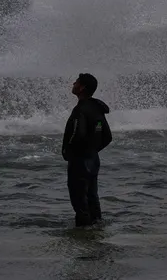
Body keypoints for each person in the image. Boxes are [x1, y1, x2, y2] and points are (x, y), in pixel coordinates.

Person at [62, 72, 112, 227]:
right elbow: (107, 136)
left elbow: (78, 134)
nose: (73, 84)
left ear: (82, 87)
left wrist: (67, 151)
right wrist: (92, 150)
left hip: (80, 161)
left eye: (76, 82)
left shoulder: (80, 110)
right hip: (93, 160)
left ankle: (82, 237)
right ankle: (97, 231)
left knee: (79, 202)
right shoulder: (96, 108)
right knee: (92, 197)